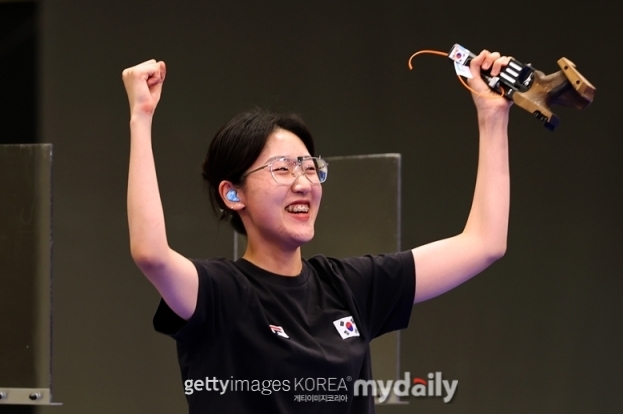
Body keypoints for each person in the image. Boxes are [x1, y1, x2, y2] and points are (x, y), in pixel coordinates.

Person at [122, 51, 511, 413]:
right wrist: (141, 117)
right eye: (282, 169)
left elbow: (483, 244)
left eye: (310, 168)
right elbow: (151, 254)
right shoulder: (221, 293)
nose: (303, 183)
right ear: (233, 193)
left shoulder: (348, 287)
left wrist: (492, 117)